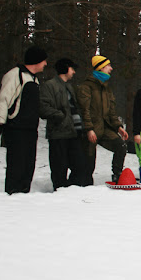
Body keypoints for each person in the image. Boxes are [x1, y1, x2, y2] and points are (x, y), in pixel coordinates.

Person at [0, 46, 48, 194]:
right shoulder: (15, 75)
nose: (46, 64)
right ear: (36, 61)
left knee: (29, 165)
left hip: (30, 129)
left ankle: (23, 194)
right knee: (17, 165)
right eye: (44, 60)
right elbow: (4, 99)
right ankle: (12, 194)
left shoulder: (34, 79)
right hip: (16, 128)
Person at [76, 55, 129, 185]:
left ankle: (117, 175)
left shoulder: (106, 88)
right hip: (91, 129)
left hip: (105, 128)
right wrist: (89, 129)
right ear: (101, 67)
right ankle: (84, 184)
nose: (111, 68)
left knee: (121, 146)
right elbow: (84, 110)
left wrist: (118, 127)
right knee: (88, 160)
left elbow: (111, 111)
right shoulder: (86, 86)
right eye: (108, 66)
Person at [39, 57, 85, 190]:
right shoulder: (50, 85)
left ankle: (71, 190)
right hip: (58, 133)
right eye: (72, 69)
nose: (74, 72)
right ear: (65, 68)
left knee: (79, 165)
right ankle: (60, 191)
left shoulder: (69, 87)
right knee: (59, 166)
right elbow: (43, 107)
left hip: (74, 132)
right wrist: (61, 117)